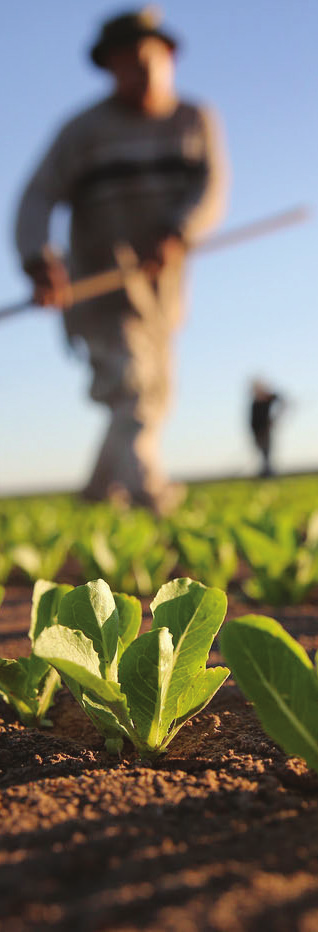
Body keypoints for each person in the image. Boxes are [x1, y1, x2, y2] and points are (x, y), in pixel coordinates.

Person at [15, 8, 230, 512]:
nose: (142, 72)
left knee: (151, 390)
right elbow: (37, 196)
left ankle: (96, 494)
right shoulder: (82, 131)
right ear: (110, 68)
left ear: (170, 58)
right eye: (129, 63)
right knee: (131, 385)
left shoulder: (194, 120)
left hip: (163, 289)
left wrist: (179, 231)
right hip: (99, 284)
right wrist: (37, 258)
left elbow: (211, 188)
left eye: (150, 60)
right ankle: (148, 493)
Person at [250, 381, 284, 476]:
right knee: (263, 453)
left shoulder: (268, 398)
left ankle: (267, 472)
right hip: (258, 433)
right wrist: (256, 433)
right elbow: (253, 422)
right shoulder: (255, 403)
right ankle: (266, 471)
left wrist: (275, 418)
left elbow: (281, 400)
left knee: (267, 452)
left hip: (266, 431)